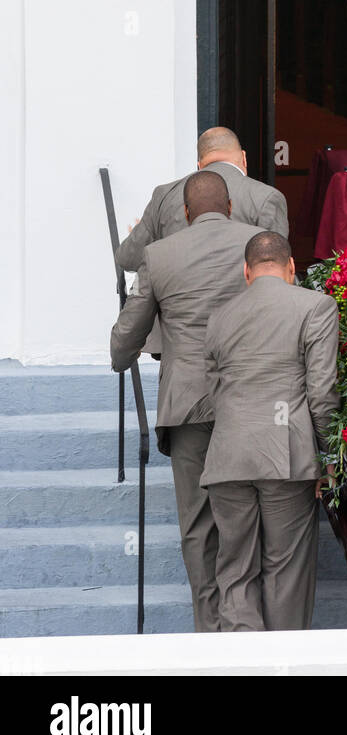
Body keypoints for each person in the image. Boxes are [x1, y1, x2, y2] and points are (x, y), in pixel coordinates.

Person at [110, 171, 262, 632]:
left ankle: (208, 629)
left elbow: (124, 344)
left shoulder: (159, 255)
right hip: (251, 400)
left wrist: (123, 349)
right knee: (248, 514)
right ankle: (250, 627)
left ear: (184, 213)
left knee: (198, 525)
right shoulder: (260, 243)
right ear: (231, 207)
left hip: (188, 402)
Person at [201, 232, 339, 632]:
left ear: (246, 272)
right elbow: (322, 392)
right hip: (287, 456)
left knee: (235, 569)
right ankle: (283, 664)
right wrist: (328, 457)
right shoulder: (316, 306)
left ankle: (243, 661)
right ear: (292, 267)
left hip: (228, 455)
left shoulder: (219, 316)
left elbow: (215, 393)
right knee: (286, 572)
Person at [115, 125, 288, 273]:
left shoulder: (164, 195)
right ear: (243, 157)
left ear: (199, 165)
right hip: (244, 310)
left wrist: (143, 234)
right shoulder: (267, 197)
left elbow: (128, 258)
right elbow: (276, 270)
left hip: (177, 309)